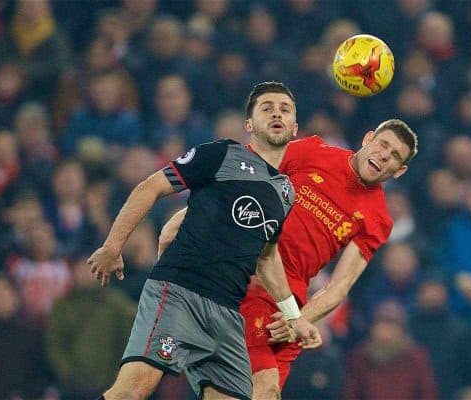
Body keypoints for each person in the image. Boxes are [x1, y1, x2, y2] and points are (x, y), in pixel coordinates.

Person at [160, 101, 418, 397]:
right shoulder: (314, 151)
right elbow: (243, 177)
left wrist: (301, 319)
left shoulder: (379, 219)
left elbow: (341, 284)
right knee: (263, 389)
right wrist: (185, 217)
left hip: (289, 309)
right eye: (383, 144)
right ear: (368, 138)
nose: (385, 156)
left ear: (400, 171)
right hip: (252, 278)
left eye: (395, 156)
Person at [88, 82, 321, 400]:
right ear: (249, 125)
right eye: (267, 108)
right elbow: (150, 187)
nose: (276, 113)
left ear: (295, 128)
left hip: (227, 314)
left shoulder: (285, 193)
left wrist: (294, 316)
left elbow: (266, 258)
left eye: (285, 109)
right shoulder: (221, 153)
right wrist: (112, 246)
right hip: (180, 293)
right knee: (132, 391)